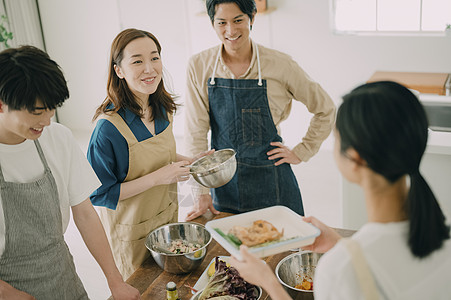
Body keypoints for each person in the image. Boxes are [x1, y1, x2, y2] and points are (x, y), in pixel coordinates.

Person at [229, 81, 451, 299]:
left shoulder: (338, 272)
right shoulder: (444, 231)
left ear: (355, 158)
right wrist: (343, 246)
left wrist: (267, 281)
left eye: (336, 138)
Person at [0, 46, 140, 299]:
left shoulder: (58, 138)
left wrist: (115, 281)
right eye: (36, 111)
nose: (46, 120)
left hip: (63, 277)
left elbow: (85, 213)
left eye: (51, 108)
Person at [184, 0, 336, 220]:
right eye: (222, 22)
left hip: (272, 182)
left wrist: (302, 151)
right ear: (212, 23)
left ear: (252, 17)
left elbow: (325, 109)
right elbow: (195, 132)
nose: (231, 30)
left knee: (282, 251)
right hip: (224, 184)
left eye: (238, 20)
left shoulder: (280, 64)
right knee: (228, 253)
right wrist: (200, 191)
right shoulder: (199, 66)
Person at [87, 28, 211, 279]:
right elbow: (100, 193)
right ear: (119, 71)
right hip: (132, 235)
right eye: (137, 61)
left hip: (166, 220)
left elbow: (158, 155)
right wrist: (158, 177)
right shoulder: (108, 129)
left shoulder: (162, 108)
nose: (149, 68)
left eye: (155, 58)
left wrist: (190, 162)